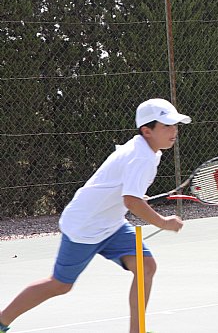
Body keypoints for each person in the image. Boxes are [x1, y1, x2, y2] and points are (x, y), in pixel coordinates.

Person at [0, 98, 190, 333]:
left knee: (146, 267)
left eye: (175, 125)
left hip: (111, 225)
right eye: (167, 126)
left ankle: (136, 330)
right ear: (147, 131)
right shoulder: (141, 156)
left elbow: (127, 191)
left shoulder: (148, 150)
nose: (173, 131)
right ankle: (1, 321)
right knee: (60, 285)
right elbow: (130, 201)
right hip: (85, 226)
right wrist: (163, 222)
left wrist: (138, 198)